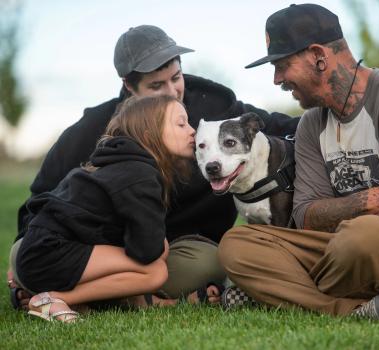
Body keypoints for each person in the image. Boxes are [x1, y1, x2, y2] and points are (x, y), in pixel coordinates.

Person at [7, 25, 299, 310]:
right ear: (129, 87)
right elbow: (42, 196)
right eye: (157, 86)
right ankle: (120, 294)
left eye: (176, 77)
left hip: (177, 248)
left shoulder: (215, 109)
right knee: (23, 253)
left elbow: (277, 127)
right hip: (95, 248)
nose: (172, 92)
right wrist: (24, 246)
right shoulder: (96, 129)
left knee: (213, 261)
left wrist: (323, 122)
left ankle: (78, 294)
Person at [218, 3, 379, 324]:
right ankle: (351, 310)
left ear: (318, 56)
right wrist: (367, 200)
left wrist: (348, 224)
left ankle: (285, 289)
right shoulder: (311, 124)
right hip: (349, 250)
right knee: (238, 245)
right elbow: (305, 216)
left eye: (282, 65)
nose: (277, 79)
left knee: (361, 236)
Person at [11, 95, 226, 323]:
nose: (192, 131)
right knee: (154, 272)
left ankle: (69, 300)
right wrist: (158, 245)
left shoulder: (122, 164)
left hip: (39, 252)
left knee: (153, 263)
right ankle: (54, 298)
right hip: (49, 254)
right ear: (149, 134)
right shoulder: (140, 174)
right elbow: (148, 251)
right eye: (181, 124)